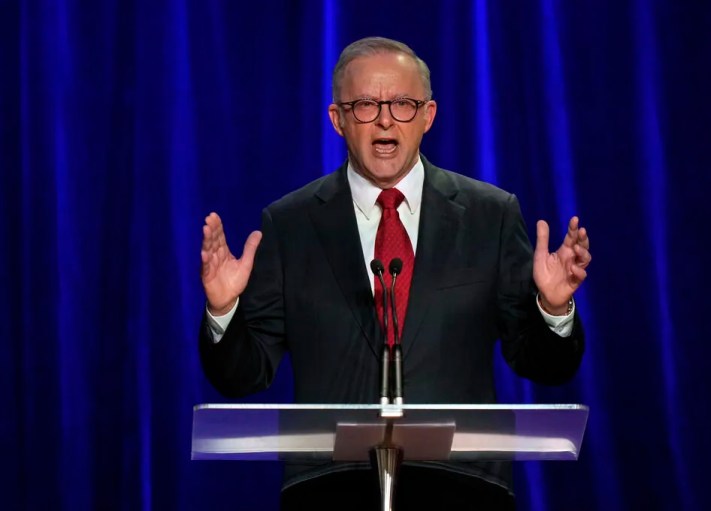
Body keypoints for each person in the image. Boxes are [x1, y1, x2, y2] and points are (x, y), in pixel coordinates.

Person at [199, 36, 591, 511]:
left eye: (403, 104)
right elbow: (245, 375)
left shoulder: (491, 216)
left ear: (428, 116)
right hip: (331, 491)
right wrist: (223, 312)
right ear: (337, 119)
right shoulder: (290, 224)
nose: (385, 119)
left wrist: (552, 309)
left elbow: (541, 364)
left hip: (461, 491)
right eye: (365, 104)